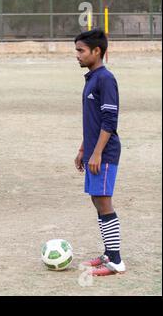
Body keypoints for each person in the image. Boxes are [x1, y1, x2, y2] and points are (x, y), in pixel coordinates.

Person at [74, 29, 125, 276]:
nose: (77, 55)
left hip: (105, 153)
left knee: (104, 201)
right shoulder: (91, 78)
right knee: (97, 200)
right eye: (76, 50)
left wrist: (97, 154)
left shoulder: (105, 79)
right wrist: (84, 148)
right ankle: (108, 252)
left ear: (97, 51)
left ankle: (116, 261)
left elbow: (109, 120)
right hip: (94, 151)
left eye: (81, 50)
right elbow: (92, 121)